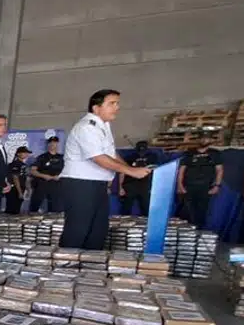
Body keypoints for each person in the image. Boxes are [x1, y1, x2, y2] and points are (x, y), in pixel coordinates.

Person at [58, 89, 151, 250]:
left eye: (117, 104)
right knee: (78, 229)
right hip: (81, 184)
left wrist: (129, 168)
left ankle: (89, 263)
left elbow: (111, 153)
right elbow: (99, 158)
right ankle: (66, 263)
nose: (117, 107)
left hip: (97, 184)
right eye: (112, 103)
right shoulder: (86, 127)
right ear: (96, 108)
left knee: (98, 230)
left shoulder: (104, 126)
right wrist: (131, 172)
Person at [177, 136, 223, 228]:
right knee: (186, 211)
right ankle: (186, 231)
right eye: (202, 138)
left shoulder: (215, 153)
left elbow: (219, 170)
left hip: (206, 187)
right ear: (197, 140)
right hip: (189, 186)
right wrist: (180, 185)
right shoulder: (189, 153)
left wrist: (217, 185)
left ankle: (198, 231)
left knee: (202, 212)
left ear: (210, 140)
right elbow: (181, 170)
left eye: (206, 138)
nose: (204, 140)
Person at [117, 139, 159, 216]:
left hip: (145, 186)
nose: (141, 152)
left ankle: (147, 223)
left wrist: (155, 187)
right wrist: (120, 187)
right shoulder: (129, 158)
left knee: (146, 209)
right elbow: (122, 172)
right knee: (126, 208)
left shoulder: (153, 157)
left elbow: (157, 171)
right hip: (130, 185)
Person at [30, 136, 64, 213]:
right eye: (51, 142)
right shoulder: (41, 157)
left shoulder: (62, 158)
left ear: (57, 144)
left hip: (56, 185)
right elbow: (33, 171)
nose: (53, 144)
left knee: (56, 209)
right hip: (42, 184)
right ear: (48, 144)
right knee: (34, 207)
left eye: (55, 142)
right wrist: (44, 176)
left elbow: (67, 171)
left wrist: (60, 176)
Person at [5, 146, 31, 214]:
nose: (26, 154)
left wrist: (28, 189)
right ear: (18, 154)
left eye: (27, 153)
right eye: (24, 152)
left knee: (17, 209)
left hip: (21, 188)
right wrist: (19, 192)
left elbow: (26, 178)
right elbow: (15, 178)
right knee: (11, 210)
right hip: (13, 190)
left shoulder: (24, 165)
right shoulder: (14, 164)